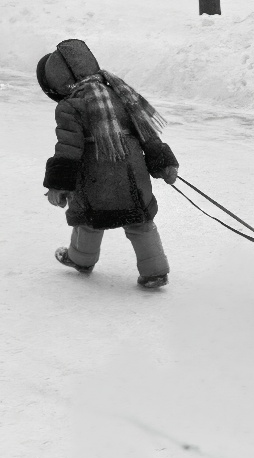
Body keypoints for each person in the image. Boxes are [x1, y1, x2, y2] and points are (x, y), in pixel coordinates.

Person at [38, 39, 179, 289]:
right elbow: (145, 131)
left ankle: (81, 259)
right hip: (132, 173)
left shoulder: (70, 106)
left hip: (94, 180)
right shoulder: (120, 92)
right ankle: (155, 271)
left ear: (56, 83)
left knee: (88, 220)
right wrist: (162, 162)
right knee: (140, 222)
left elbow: (69, 150)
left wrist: (58, 185)